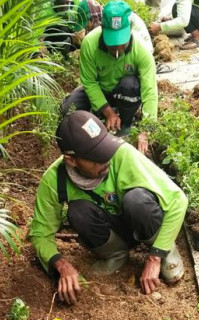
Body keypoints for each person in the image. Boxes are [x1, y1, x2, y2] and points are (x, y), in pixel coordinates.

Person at [29, 110, 188, 304]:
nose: (105, 160)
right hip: (113, 232)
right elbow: (40, 233)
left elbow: (178, 199)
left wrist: (155, 256)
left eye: (105, 150)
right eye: (96, 157)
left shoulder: (121, 154)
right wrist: (61, 265)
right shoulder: (54, 180)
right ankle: (116, 255)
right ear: (71, 160)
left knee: (137, 200)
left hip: (141, 220)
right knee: (77, 211)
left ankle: (166, 252)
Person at [61, 0, 158, 154]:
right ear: (102, 28)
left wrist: (146, 130)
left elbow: (150, 92)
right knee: (68, 110)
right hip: (100, 88)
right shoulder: (90, 43)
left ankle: (126, 123)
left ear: (129, 29)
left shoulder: (141, 50)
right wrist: (108, 112)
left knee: (131, 85)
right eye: (112, 43)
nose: (117, 48)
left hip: (123, 91)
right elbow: (89, 82)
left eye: (122, 43)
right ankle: (100, 117)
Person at [72, 0, 154, 54]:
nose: (86, 27)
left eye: (87, 24)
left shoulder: (113, 21)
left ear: (93, 17)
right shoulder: (107, 17)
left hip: (142, 51)